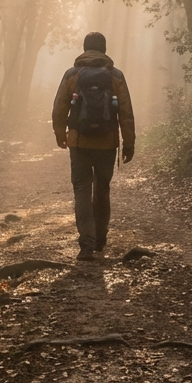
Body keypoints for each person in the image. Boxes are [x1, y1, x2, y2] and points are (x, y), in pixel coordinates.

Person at [51, 32, 135, 261]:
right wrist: (129, 143)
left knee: (81, 190)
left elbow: (60, 106)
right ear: (104, 50)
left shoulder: (73, 74)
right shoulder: (115, 75)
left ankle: (86, 243)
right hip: (107, 143)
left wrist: (60, 133)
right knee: (102, 189)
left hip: (79, 142)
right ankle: (100, 237)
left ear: (85, 48)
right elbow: (126, 112)